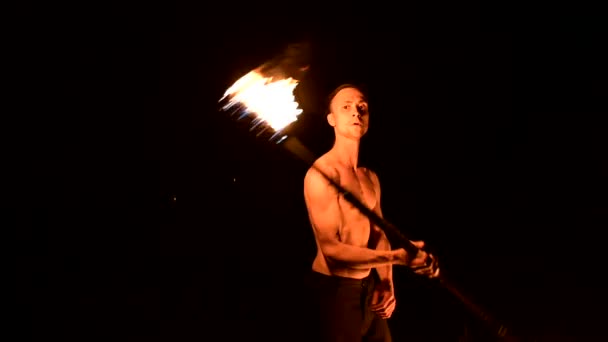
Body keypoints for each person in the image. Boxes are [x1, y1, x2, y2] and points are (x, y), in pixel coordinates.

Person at [303, 83, 440, 342]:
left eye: (361, 107)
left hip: (369, 288)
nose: (356, 112)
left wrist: (386, 281)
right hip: (337, 292)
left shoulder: (369, 177)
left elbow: (379, 233)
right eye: (346, 107)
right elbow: (332, 251)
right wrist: (398, 258)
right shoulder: (321, 174)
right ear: (331, 119)